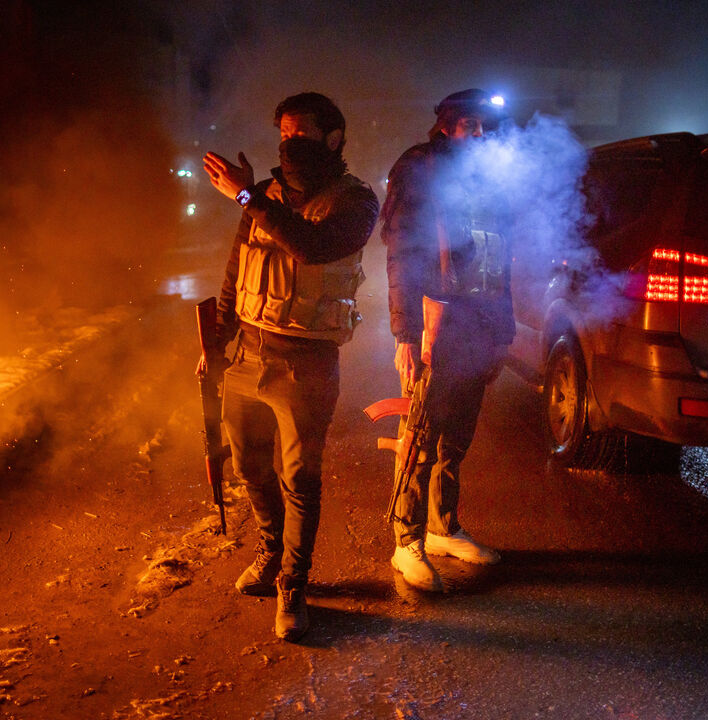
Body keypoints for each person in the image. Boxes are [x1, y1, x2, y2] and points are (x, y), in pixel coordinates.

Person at [201, 92, 379, 640]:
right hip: (248, 356)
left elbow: (311, 246)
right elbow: (238, 269)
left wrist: (247, 194)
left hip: (306, 363)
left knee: (299, 478)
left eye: (301, 133)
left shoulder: (356, 202)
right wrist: (217, 341)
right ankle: (270, 554)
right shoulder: (265, 197)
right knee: (248, 466)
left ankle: (293, 588)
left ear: (333, 139)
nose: (289, 142)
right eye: (283, 133)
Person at [381, 88, 511, 592]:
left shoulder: (489, 179)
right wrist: (405, 334)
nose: (480, 136)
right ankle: (406, 539)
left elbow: (501, 257)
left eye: (485, 128)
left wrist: (503, 331)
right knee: (421, 434)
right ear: (446, 125)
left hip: (480, 322)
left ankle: (442, 527)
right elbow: (401, 255)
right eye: (471, 126)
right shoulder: (421, 167)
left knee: (456, 437)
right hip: (437, 322)